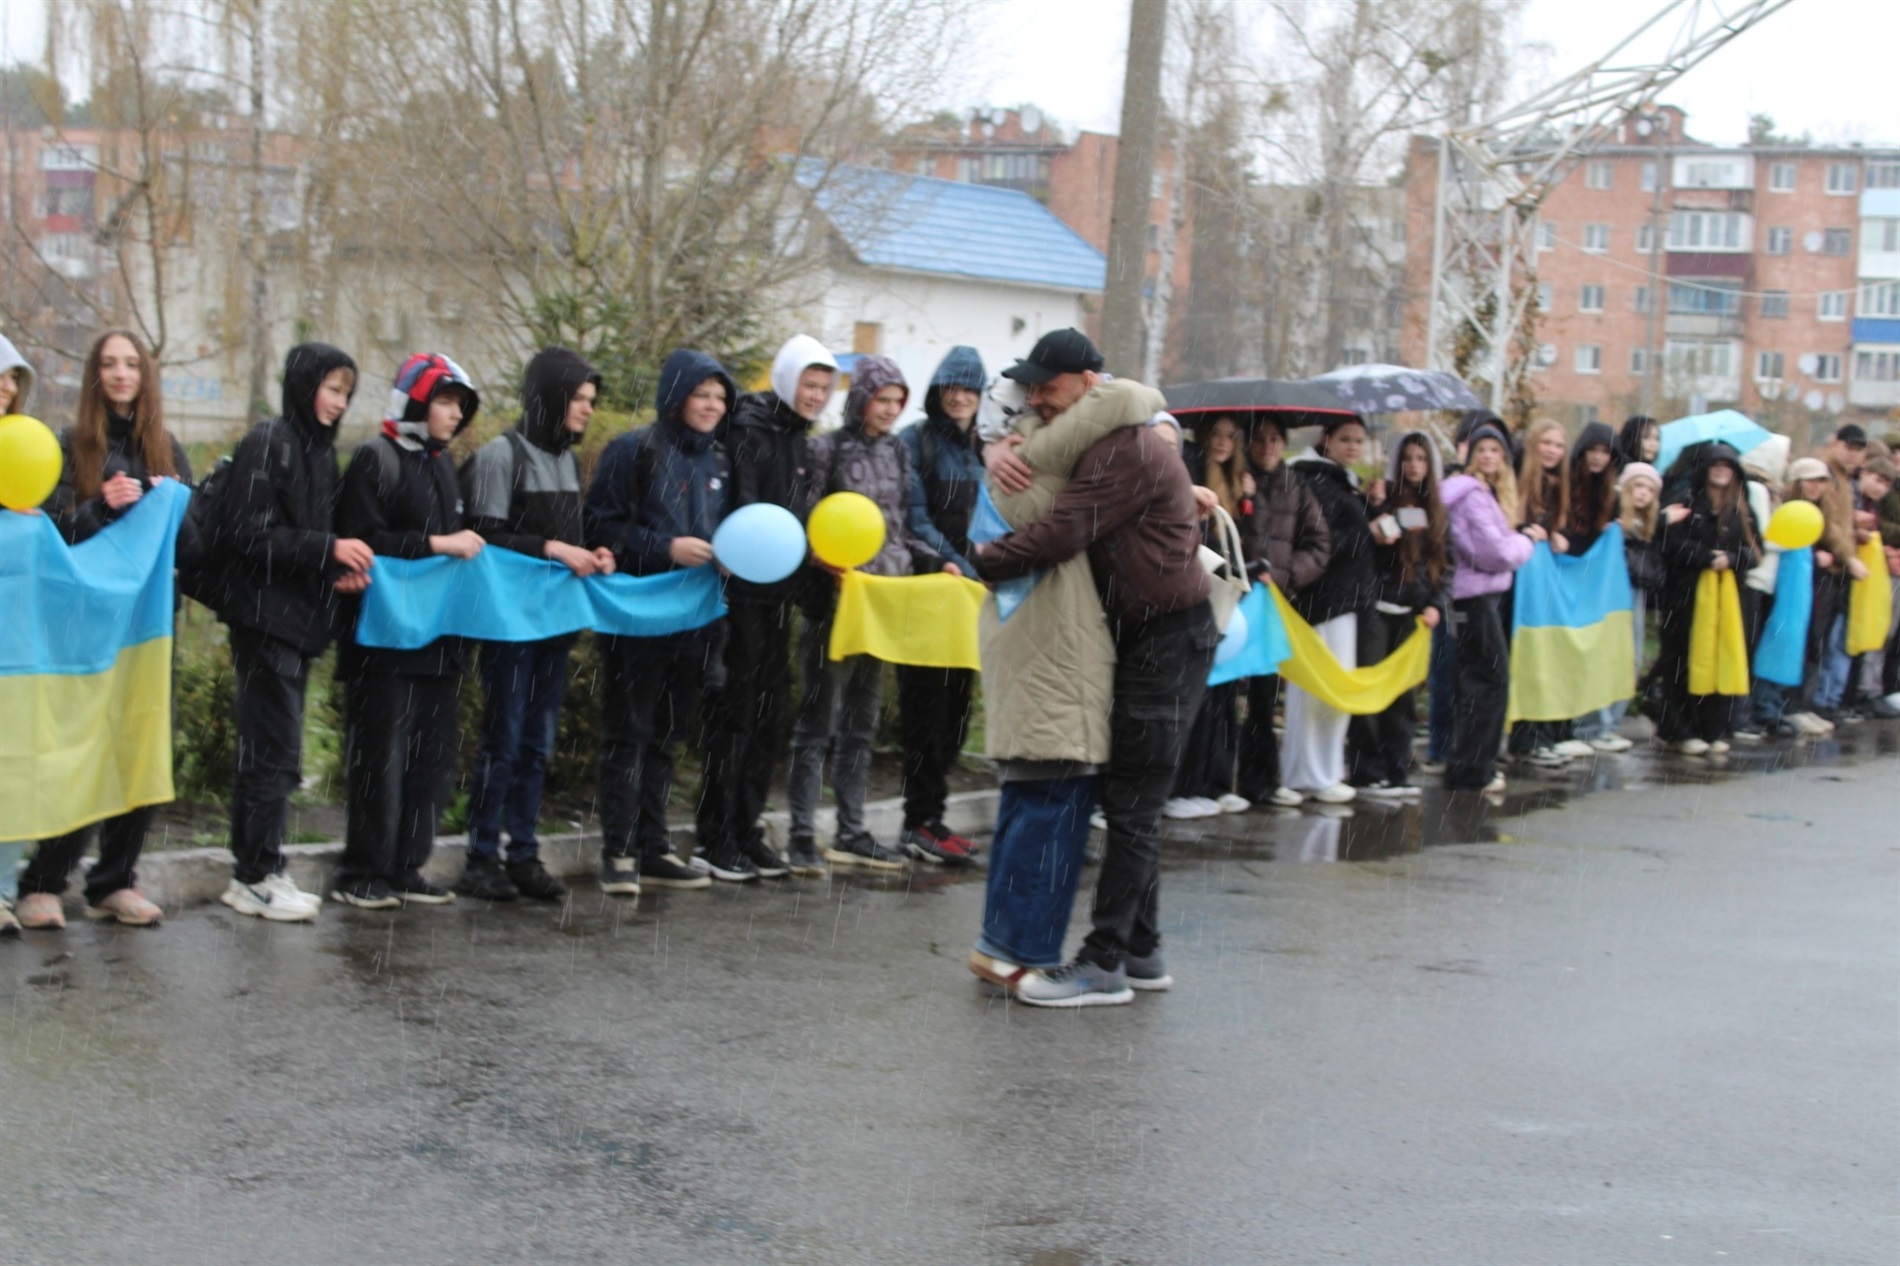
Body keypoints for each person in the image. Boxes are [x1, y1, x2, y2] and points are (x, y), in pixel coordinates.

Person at [973, 329, 1215, 1008]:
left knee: (1133, 806)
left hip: (1168, 638)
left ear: (1086, 382)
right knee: (1131, 801)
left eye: (1048, 387)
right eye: (1030, 389)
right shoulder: (1105, 437)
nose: (1037, 400)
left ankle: (1102, 964)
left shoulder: (1124, 448)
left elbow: (1064, 530)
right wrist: (996, 446)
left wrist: (985, 560)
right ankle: (1142, 950)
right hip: (1148, 636)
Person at [190, 342, 368, 921]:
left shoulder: (318, 452)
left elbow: (302, 543)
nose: (338, 402)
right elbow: (248, 535)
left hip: (295, 622)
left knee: (277, 752)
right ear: (303, 385)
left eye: (346, 393)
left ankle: (262, 868)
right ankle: (254, 874)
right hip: (263, 620)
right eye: (331, 389)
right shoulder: (269, 443)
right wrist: (327, 549)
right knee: (270, 752)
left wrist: (335, 570)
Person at [14, 332, 181, 928]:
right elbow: (48, 534)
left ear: (145, 375)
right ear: (94, 375)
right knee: (78, 751)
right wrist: (101, 509)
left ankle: (115, 881)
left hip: (146, 632)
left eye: (131, 363)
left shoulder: (166, 449)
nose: (120, 373)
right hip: (81, 634)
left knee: (139, 749)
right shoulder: (68, 445)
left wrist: (173, 504)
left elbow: (192, 541)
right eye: (108, 364)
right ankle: (44, 882)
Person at [458, 347, 613, 902]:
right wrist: (551, 548)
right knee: (503, 741)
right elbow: (483, 537)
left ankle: (523, 853)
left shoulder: (567, 461)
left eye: (590, 400)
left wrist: (593, 553)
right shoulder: (501, 456)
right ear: (550, 398)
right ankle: (481, 857)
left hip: (554, 624)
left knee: (536, 745)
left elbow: (570, 537)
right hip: (509, 626)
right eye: (578, 399)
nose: (587, 410)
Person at [327, 353, 483, 910]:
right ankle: (362, 872)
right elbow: (362, 541)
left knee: (431, 761)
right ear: (416, 402)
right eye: (444, 401)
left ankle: (406, 865)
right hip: (383, 641)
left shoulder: (442, 463)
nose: (454, 415)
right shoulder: (375, 458)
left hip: (437, 640)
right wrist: (438, 544)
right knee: (379, 760)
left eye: (460, 405)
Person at [790, 355, 956, 871]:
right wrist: (824, 560)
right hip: (833, 606)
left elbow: (898, 529)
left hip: (883, 604)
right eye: (882, 399)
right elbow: (805, 523)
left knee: (861, 725)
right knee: (817, 725)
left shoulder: (897, 452)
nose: (889, 410)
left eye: (897, 401)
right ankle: (800, 835)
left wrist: (938, 562)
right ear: (862, 398)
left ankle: (852, 831)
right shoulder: (824, 449)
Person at [582, 349, 734, 897]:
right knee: (629, 734)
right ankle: (618, 852)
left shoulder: (720, 461)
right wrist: (665, 547)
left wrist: (729, 556)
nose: (712, 406)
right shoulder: (633, 449)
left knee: (669, 737)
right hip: (637, 617)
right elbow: (599, 527)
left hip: (696, 620)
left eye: (720, 397)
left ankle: (653, 846)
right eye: (701, 394)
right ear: (676, 396)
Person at [698, 335, 838, 879]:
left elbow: (796, 515)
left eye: (824, 387)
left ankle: (746, 828)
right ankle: (716, 836)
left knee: (768, 717)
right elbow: (750, 509)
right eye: (808, 384)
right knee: (734, 716)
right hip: (741, 594)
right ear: (786, 379)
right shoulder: (750, 428)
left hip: (781, 592)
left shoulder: (798, 437)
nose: (816, 395)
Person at [895, 345, 988, 862]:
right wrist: (956, 565)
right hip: (930, 594)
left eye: (969, 388)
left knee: (957, 712)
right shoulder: (916, 442)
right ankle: (917, 821)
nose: (959, 397)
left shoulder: (983, 446)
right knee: (924, 713)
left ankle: (935, 817)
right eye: (952, 387)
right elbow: (915, 518)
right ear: (937, 390)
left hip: (970, 601)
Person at [1281, 416, 1379, 804]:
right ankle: (1311, 773)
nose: (1353, 447)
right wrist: (1365, 530)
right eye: (1345, 439)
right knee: (1319, 689)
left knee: (1329, 690)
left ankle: (1323, 769)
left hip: (1346, 599)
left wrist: (1370, 507)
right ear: (1327, 440)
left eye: (1359, 440)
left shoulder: (1339, 481)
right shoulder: (1314, 480)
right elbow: (1319, 540)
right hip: (1325, 600)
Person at [1235, 417, 1330, 807]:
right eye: (1259, 439)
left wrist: (1285, 575)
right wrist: (1247, 501)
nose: (1268, 447)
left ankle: (1261, 780)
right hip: (1236, 600)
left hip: (1274, 604)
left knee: (1264, 695)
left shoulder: (1295, 485)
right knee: (1225, 694)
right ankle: (1216, 779)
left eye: (1275, 439)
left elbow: (1319, 543)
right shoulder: (1235, 478)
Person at [1168, 412, 1255, 818]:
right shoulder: (1190, 470)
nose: (1222, 442)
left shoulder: (1238, 482)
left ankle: (1212, 782)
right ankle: (1183, 787)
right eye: (1216, 434)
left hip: (1224, 595)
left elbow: (1245, 539)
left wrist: (1250, 503)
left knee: (1222, 696)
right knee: (1196, 695)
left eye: (1230, 436)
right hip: (1200, 587)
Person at [1351, 429, 1447, 796]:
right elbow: (1373, 548)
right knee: (1372, 688)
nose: (1414, 466)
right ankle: (1367, 769)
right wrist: (1375, 508)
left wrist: (1435, 603)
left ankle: (1397, 766)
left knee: (1404, 695)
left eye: (1421, 459)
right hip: (1378, 607)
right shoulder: (1384, 499)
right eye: (1407, 458)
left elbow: (1444, 563)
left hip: (1412, 613)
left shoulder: (1436, 511)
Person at [1439, 423, 1532, 794]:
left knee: (1472, 681)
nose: (1489, 456)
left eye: (1495, 450)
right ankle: (1475, 768)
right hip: (1474, 598)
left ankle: (1468, 764)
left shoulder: (1475, 494)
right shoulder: (1472, 495)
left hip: (1467, 598)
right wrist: (1525, 542)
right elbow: (1496, 553)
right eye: (1482, 450)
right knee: (1490, 681)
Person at [1646, 445, 1758, 754]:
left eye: (1727, 465)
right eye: (1715, 464)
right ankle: (1678, 729)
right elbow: (1670, 544)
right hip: (1686, 596)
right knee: (1682, 661)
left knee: (1720, 661)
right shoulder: (1685, 501)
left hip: (1727, 599)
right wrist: (1706, 557)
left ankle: (1712, 728)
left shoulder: (1741, 509)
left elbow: (1754, 550)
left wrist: (1732, 559)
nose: (1721, 470)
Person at [1565, 422, 1635, 753]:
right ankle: (1572, 726)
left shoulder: (1611, 495)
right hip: (1567, 578)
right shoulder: (1567, 486)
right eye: (1592, 450)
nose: (1597, 457)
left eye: (1604, 452)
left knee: (1594, 652)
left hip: (1594, 586)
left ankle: (1592, 725)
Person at [1509, 417, 1576, 766]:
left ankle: (1537, 735)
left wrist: (1557, 535)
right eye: (1546, 443)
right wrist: (1523, 530)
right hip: (1517, 587)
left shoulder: (1558, 485)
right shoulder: (1517, 479)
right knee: (1523, 659)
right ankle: (1524, 738)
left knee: (1542, 658)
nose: (1552, 450)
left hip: (1540, 590)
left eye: (1559, 445)